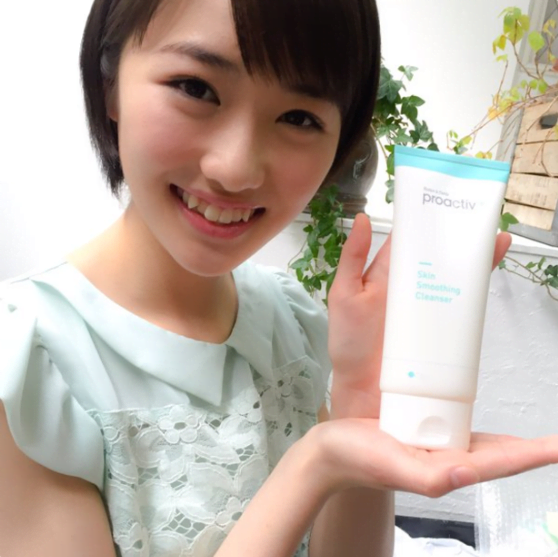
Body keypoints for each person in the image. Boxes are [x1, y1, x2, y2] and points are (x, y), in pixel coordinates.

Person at [1, 0, 557, 556]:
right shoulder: (30, 364)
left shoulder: (289, 320)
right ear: (110, 85)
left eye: (299, 118)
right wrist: (313, 467)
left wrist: (360, 411)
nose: (236, 169)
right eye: (196, 88)